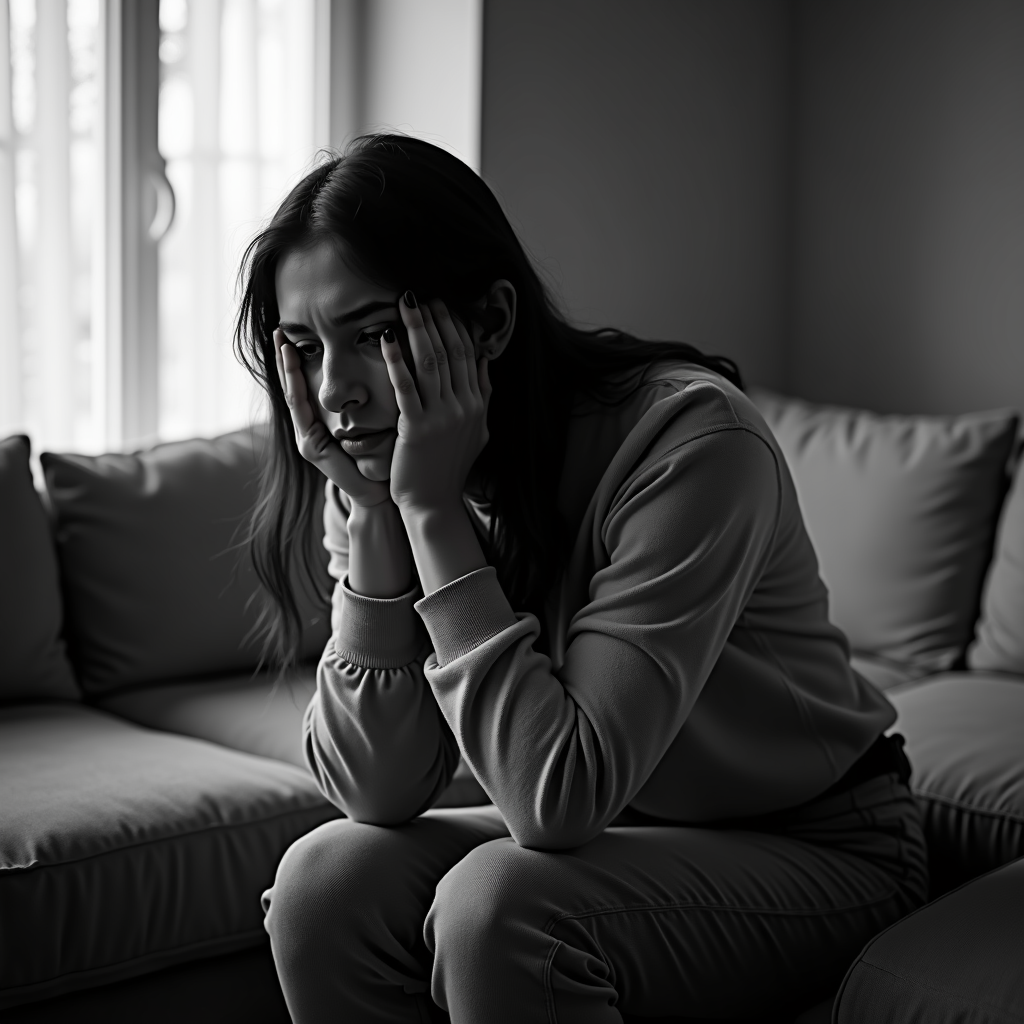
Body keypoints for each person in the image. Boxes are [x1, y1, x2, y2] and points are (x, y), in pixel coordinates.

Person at [235, 134, 928, 1023]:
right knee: (322, 881)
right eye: (304, 348)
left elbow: (556, 798)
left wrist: (434, 515)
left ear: (489, 320)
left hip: (821, 842)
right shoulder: (384, 474)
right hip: (625, 834)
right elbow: (376, 790)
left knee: (497, 909)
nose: (336, 392)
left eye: (373, 335)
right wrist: (378, 516)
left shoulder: (694, 444)